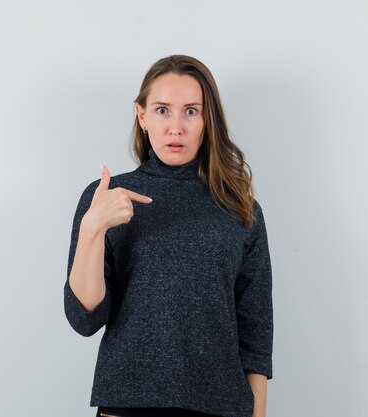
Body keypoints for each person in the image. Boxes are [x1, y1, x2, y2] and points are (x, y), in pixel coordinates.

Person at [63, 54, 273, 417]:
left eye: (191, 111)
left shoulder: (241, 209)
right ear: (142, 116)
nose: (176, 127)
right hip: (128, 404)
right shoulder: (107, 198)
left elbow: (255, 338)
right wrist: (93, 227)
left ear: (208, 120)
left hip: (220, 406)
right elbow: (84, 319)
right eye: (162, 110)